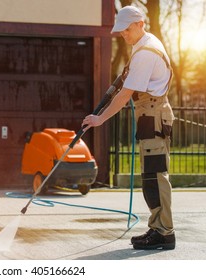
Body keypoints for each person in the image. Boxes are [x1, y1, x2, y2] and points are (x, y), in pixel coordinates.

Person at [82, 5, 176, 250]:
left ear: (139, 23)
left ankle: (164, 233)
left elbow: (125, 95)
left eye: (125, 30)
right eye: (120, 31)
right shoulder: (145, 44)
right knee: (150, 176)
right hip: (150, 115)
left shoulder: (145, 51)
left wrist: (99, 119)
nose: (122, 34)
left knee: (155, 176)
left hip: (153, 116)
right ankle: (158, 228)